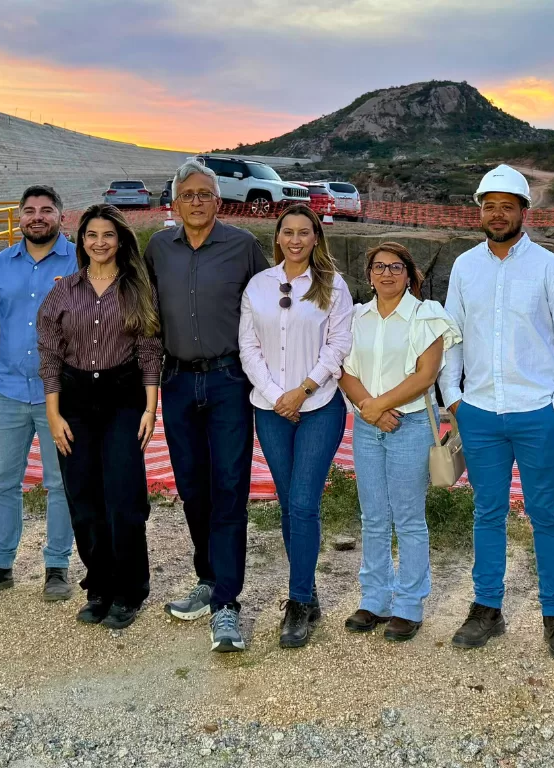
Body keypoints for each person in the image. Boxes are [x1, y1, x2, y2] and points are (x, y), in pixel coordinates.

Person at [438, 164, 554, 656]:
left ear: (525, 211)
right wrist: (453, 398)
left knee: (545, 514)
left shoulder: (550, 267)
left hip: (537, 412)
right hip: (479, 412)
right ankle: (487, 608)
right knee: (488, 512)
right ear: (479, 211)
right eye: (490, 206)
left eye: (507, 206)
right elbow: (453, 336)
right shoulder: (465, 267)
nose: (497, 214)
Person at [145, 160, 268, 653]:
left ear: (219, 200)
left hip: (228, 380)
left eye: (204, 194)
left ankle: (227, 604)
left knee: (230, 487)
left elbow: (270, 306)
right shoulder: (158, 248)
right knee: (192, 487)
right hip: (177, 381)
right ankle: (208, 577)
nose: (196, 201)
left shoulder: (243, 246)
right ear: (175, 203)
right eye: (187, 195)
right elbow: (142, 309)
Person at [37, 204, 162, 629]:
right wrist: (54, 415)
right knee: (84, 499)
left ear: (121, 240)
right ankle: (99, 586)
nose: (100, 242)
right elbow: (50, 357)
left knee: (124, 500)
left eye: (108, 234)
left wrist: (150, 408)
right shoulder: (63, 292)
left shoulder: (138, 290)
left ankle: (129, 590)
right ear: (82, 241)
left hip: (123, 399)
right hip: (74, 402)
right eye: (91, 235)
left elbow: (149, 351)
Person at [237, 204, 353, 648]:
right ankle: (308, 588)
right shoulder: (258, 285)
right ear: (278, 237)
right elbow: (248, 346)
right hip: (270, 409)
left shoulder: (333, 285)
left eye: (304, 232)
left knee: (304, 502)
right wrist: (275, 395)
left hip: (319, 405)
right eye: (288, 232)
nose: (296, 240)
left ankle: (298, 602)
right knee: (288, 504)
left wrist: (301, 391)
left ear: (316, 238)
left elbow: (337, 345)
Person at [0, 185, 77, 602]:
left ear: (61, 215)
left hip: (60, 395)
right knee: (3, 482)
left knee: (60, 484)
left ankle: (57, 566)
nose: (37, 217)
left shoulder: (81, 261)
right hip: (7, 391)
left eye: (46, 209)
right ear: (19, 217)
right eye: (29, 210)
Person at [338, 242, 460, 642]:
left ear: (409, 274)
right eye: (379, 267)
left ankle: (409, 604)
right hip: (367, 425)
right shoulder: (356, 317)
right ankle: (375, 599)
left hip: (410, 425)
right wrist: (368, 408)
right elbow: (342, 368)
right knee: (373, 516)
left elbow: (426, 375)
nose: (386, 273)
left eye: (395, 267)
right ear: (369, 275)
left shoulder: (427, 315)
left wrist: (379, 406)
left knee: (408, 517)